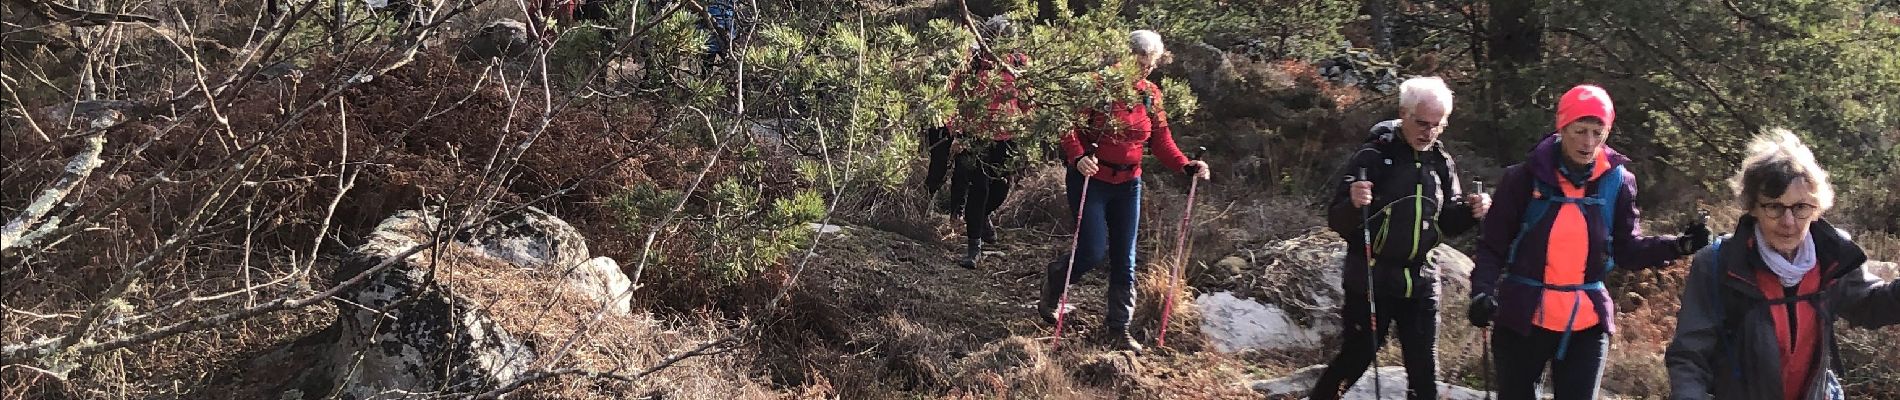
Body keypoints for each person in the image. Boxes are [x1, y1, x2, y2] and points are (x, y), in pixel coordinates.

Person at [1467, 84, 1711, 400]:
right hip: (1522, 317)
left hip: (1586, 322)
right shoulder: (1524, 178)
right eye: (1580, 131)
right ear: (1562, 127)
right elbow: (1492, 246)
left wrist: (1678, 246)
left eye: (1599, 132)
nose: (1589, 142)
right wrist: (1482, 293)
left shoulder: (1618, 182)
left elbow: (1627, 250)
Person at [1665, 130, 1900, 399]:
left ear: (1817, 207)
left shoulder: (1832, 257)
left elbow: (1869, 305)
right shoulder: (1719, 264)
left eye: (1800, 207)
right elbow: (1689, 357)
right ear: (1752, 207)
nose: (1788, 222)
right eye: (1774, 207)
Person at [1307, 77, 1490, 400]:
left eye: (1438, 125)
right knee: (1355, 359)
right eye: (1422, 123)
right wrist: (1353, 201)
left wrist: (1473, 211)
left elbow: (1449, 222)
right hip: (1371, 278)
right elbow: (1337, 220)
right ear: (1403, 113)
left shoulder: (1441, 162)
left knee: (1425, 376)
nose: (1429, 132)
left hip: (1422, 281)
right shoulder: (1374, 156)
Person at [1035, 30, 1210, 353]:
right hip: (1091, 179)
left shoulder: (1151, 95)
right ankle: (1055, 282)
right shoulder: (1097, 85)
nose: (1144, 69)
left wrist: (1186, 165)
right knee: (1091, 250)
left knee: (1125, 259)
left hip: (1129, 185)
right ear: (1123, 57)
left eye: (1150, 64)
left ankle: (1118, 327)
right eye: (1139, 62)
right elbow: (1068, 126)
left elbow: (1160, 139)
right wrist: (1078, 157)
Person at [947, 39, 1031, 269]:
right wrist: (955, 129)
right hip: (977, 137)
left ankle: (982, 218)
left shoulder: (1017, 63)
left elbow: (1027, 100)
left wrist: (1029, 124)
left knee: (1001, 189)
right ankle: (974, 247)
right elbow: (953, 95)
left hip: (1008, 137)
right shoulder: (973, 62)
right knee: (979, 188)